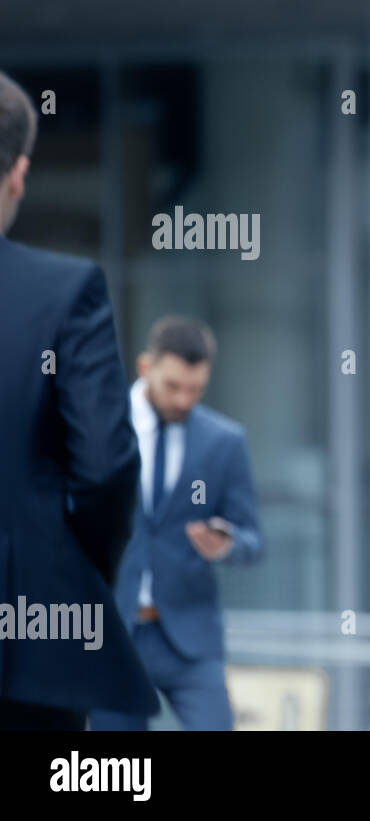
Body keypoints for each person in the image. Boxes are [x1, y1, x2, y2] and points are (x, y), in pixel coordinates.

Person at [0, 69, 158, 730]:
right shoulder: (65, 293)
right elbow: (105, 467)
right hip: (28, 644)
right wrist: (64, 567)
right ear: (18, 173)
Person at [89, 316, 264, 731]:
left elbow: (254, 539)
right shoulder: (98, 429)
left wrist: (228, 544)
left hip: (190, 640)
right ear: (146, 367)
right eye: (173, 386)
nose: (184, 399)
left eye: (196, 389)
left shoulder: (224, 441)